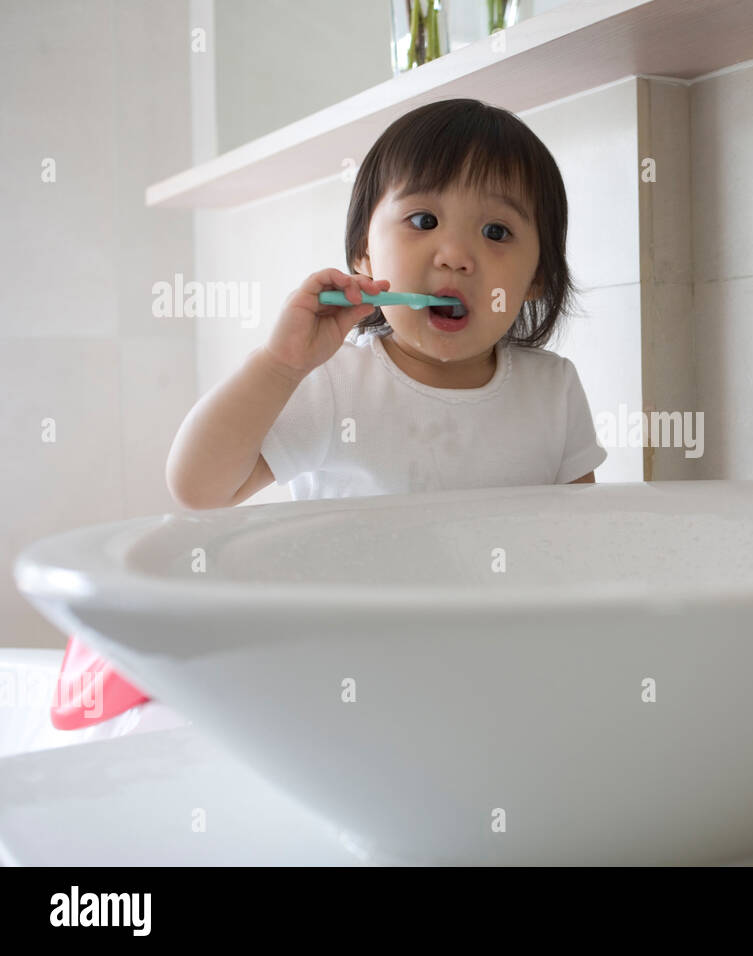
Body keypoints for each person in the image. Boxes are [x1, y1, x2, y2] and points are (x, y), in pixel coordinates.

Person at [53, 98, 607, 729]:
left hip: (482, 675)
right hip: (337, 673)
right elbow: (198, 488)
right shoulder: (337, 382)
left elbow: (580, 547)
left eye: (497, 232)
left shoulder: (553, 390)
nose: (455, 254)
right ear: (365, 259)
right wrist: (280, 366)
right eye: (423, 219)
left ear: (538, 276)